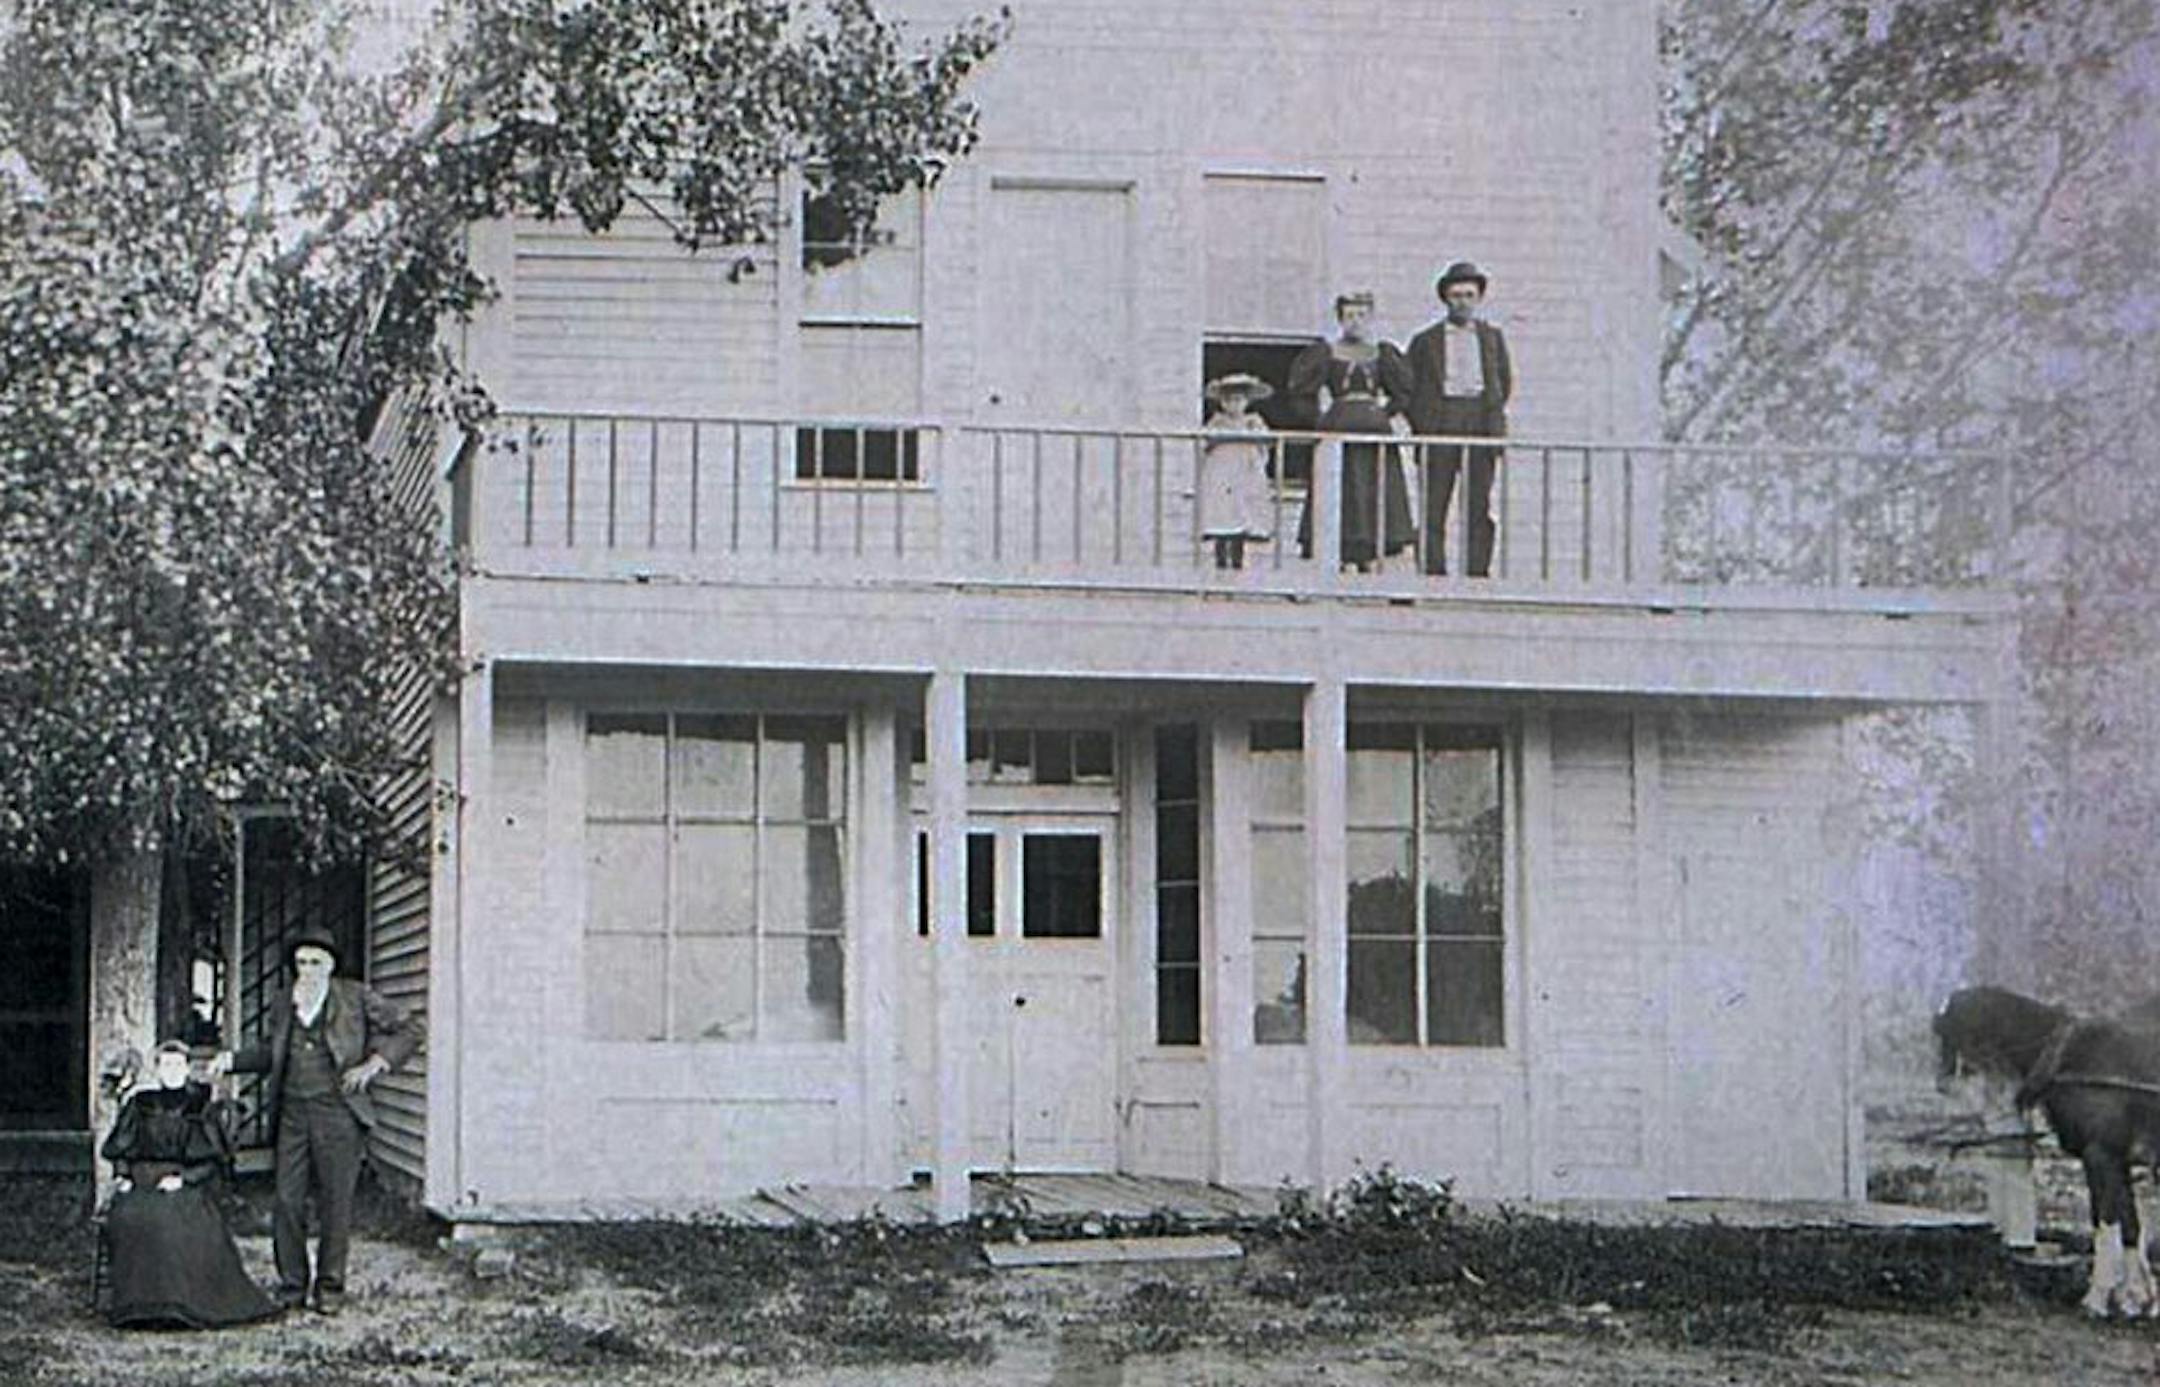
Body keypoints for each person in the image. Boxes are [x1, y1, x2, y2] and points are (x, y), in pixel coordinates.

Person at [217, 926, 424, 1316]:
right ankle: (292, 1286)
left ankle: (330, 1288)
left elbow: (411, 1029)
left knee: (335, 1202)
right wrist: (230, 1061)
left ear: (329, 965)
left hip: (339, 1112)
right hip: (293, 1114)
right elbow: (271, 1054)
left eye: (315, 962)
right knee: (287, 1201)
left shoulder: (355, 997)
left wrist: (376, 1063)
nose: (307, 970)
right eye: (301, 963)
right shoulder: (284, 1003)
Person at [100, 1039, 277, 1328]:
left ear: (187, 1069)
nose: (171, 1070)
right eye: (165, 1064)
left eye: (177, 1065)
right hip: (140, 1180)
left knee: (169, 1218)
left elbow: (211, 1161)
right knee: (130, 1215)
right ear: (157, 1070)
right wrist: (123, 1177)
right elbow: (122, 1148)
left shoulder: (200, 1106)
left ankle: (177, 1306)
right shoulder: (141, 1104)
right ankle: (136, 1307)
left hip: (185, 1183)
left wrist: (182, 1179)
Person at [1404, 261, 1513, 577]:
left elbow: (1503, 383)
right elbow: (1411, 387)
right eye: (1456, 295)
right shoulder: (1425, 341)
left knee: (1479, 504)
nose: (1462, 301)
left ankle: (1477, 573)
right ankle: (1432, 573)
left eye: (1469, 294)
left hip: (1480, 421)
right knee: (1434, 504)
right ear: (1445, 299)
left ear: (1479, 298)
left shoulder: (1492, 338)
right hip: (1441, 421)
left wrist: (1490, 418)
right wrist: (1425, 426)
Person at [1291, 291, 1414, 569]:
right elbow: (1301, 393)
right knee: (1343, 489)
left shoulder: (1381, 353)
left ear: (1370, 318)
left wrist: (1383, 412)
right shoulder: (1327, 352)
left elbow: (1403, 394)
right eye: (1349, 316)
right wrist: (1321, 419)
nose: (1355, 322)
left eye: (1361, 315)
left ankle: (1370, 554)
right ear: (1340, 319)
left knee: (1374, 490)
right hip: (1339, 427)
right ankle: (1342, 554)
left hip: (1374, 431)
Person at [1200, 373, 1279, 569]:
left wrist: (1254, 435)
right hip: (1222, 471)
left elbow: (1267, 441)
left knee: (1242, 512)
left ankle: (1238, 559)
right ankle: (1220, 559)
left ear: (1246, 402)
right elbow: (1205, 442)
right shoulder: (1217, 422)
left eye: (1238, 400)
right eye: (1228, 400)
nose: (1233, 405)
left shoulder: (1253, 421)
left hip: (1245, 471)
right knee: (1222, 513)